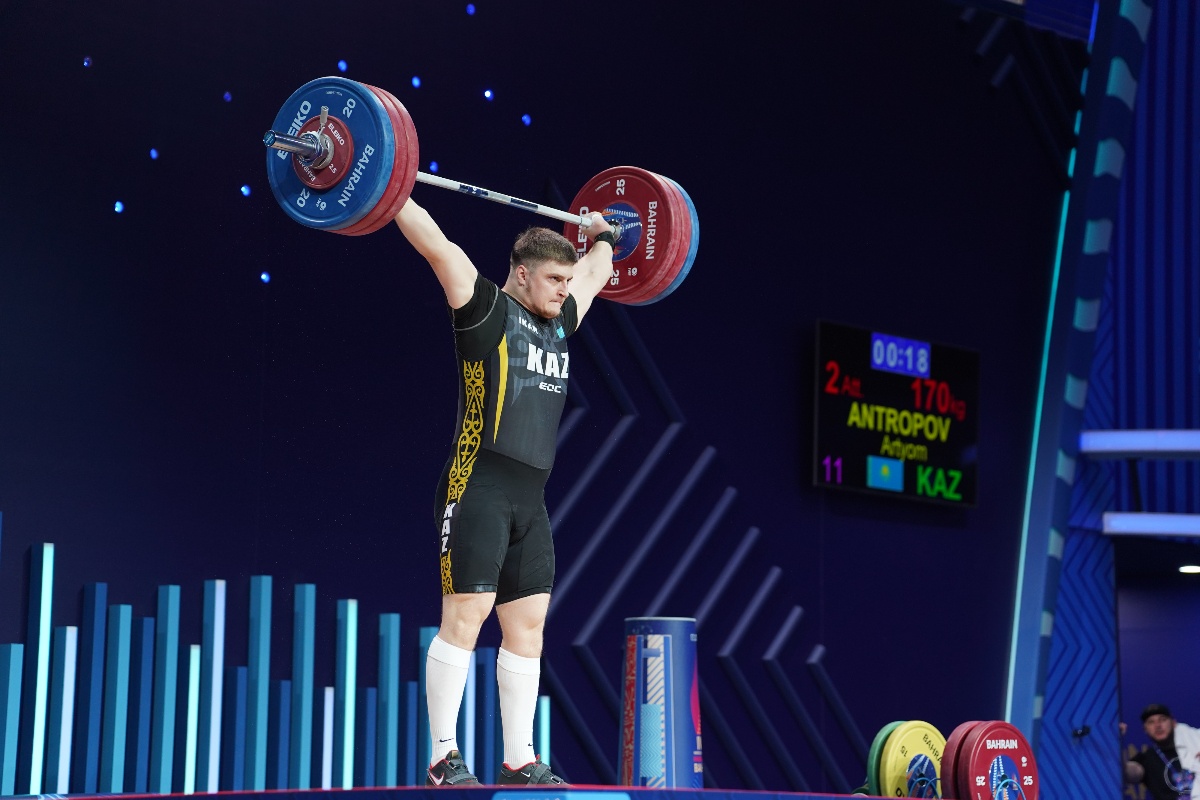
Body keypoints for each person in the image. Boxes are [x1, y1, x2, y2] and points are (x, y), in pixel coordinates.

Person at [393, 196, 616, 786]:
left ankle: (518, 759)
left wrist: (604, 235)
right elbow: (436, 245)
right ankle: (443, 757)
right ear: (522, 271)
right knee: (467, 614)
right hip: (478, 482)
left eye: (566, 279)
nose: (564, 289)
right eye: (553, 279)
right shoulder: (484, 306)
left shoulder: (562, 320)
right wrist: (389, 187)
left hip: (531, 498)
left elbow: (596, 272)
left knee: (529, 625)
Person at [1123, 704, 1200, 799]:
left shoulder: (1194, 743)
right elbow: (1125, 773)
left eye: (1162, 719)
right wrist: (1115, 740)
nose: (1158, 726)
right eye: (1151, 722)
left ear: (1173, 722)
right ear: (1145, 729)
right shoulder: (1146, 759)